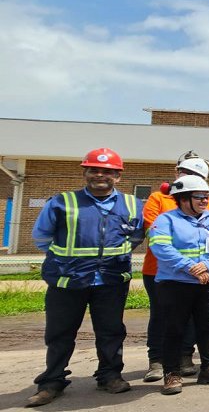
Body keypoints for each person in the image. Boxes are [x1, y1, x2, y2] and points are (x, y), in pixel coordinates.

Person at [27, 148, 144, 407]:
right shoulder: (62, 202)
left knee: (111, 331)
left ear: (118, 176)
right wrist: (67, 261)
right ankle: (52, 382)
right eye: (94, 170)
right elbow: (41, 238)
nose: (100, 175)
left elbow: (136, 237)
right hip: (67, 280)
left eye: (107, 171)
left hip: (111, 280)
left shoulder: (132, 204)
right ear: (85, 173)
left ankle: (110, 376)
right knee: (60, 333)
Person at [149, 175, 209, 395]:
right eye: (199, 197)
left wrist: (206, 265)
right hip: (175, 284)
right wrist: (191, 267)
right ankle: (172, 373)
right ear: (183, 199)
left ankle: (208, 369)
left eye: (206, 196)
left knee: (206, 327)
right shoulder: (166, 220)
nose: (205, 201)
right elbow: (161, 248)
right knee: (174, 328)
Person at [140, 151, 209, 382]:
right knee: (162, 317)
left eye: (195, 174)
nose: (188, 177)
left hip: (200, 272)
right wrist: (185, 261)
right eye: (185, 173)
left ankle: (185, 356)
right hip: (161, 271)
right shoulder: (158, 199)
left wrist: (202, 265)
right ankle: (157, 360)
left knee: (195, 318)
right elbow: (153, 232)